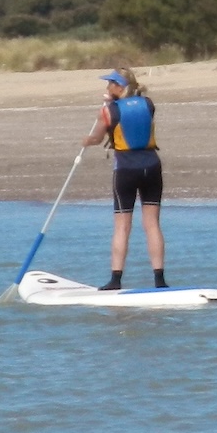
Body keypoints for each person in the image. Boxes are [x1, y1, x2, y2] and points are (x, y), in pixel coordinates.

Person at [85, 67, 168, 289]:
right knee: (152, 224)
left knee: (122, 226)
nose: (107, 87)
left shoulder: (109, 110)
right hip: (151, 167)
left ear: (119, 86)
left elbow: (97, 137)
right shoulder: (148, 104)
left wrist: (88, 140)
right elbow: (136, 112)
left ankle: (115, 280)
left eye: (110, 84)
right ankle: (159, 280)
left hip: (126, 170)